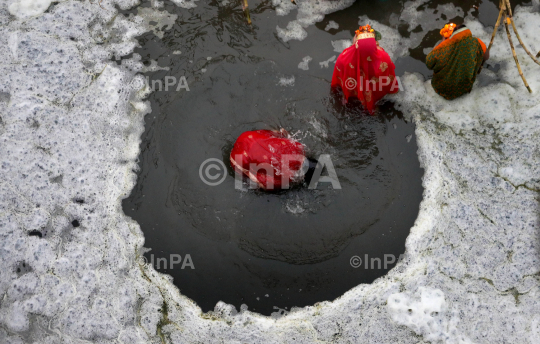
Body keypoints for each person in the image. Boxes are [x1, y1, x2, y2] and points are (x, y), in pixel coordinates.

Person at [331, 24, 399, 115]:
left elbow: (338, 77)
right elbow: (390, 79)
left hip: (352, 91)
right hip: (375, 91)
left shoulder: (344, 58)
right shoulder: (384, 58)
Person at [230, 129, 318, 191]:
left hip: (247, 136)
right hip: (235, 159)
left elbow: (282, 133)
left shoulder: (298, 148)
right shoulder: (285, 179)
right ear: (304, 177)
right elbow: (257, 181)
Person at [426, 23, 489, 100]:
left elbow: (429, 63)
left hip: (441, 89)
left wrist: (443, 42)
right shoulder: (477, 42)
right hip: (464, 88)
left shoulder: (444, 48)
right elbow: (486, 57)